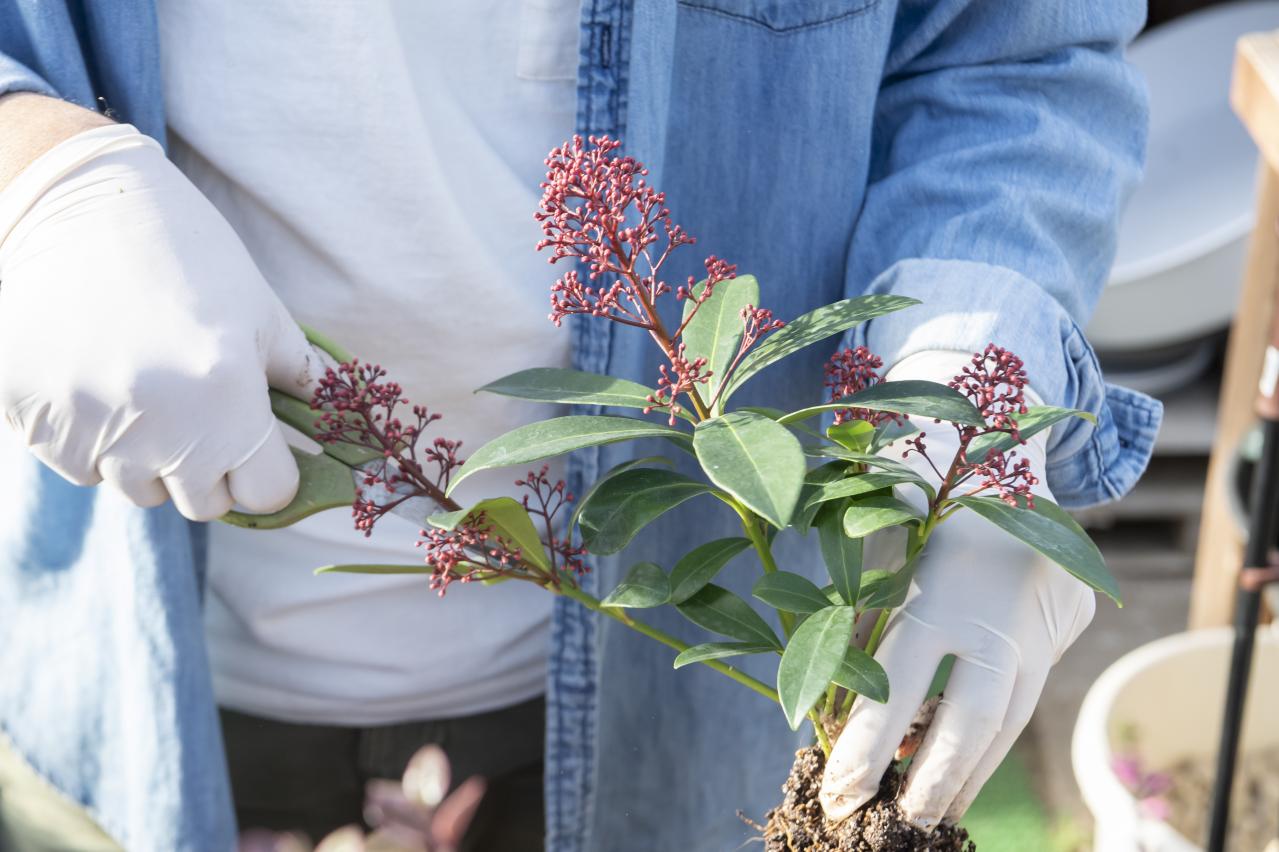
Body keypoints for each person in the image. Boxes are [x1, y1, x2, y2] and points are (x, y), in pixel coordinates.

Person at [0, 2, 1160, 851]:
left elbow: (1014, 54)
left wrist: (973, 376)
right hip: (145, 676)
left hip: (696, 708)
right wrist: (38, 175)